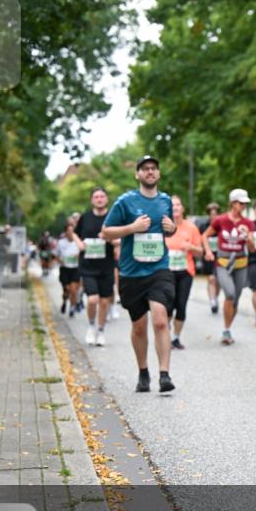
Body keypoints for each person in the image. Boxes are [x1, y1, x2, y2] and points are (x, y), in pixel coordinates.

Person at [102, 155, 177, 393]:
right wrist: (132, 228)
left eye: (154, 168)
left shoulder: (165, 201)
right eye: (145, 169)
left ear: (159, 174)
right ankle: (143, 371)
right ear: (138, 175)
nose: (150, 172)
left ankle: (164, 375)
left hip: (159, 268)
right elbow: (106, 233)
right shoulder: (125, 202)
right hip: (132, 272)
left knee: (160, 320)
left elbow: (170, 230)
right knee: (139, 327)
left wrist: (172, 229)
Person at [202, 189, 255, 346]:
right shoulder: (220, 220)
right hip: (223, 262)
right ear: (233, 203)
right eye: (241, 203)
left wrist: (247, 237)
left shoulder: (248, 223)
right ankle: (226, 330)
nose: (243, 206)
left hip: (241, 263)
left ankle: (228, 328)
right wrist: (209, 251)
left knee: (236, 300)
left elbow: (252, 249)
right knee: (230, 294)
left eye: (245, 203)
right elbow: (204, 235)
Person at [74, 187, 118, 346]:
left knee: (105, 302)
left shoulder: (112, 218)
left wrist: (109, 239)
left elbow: (121, 240)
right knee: (92, 300)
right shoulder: (85, 217)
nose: (99, 199)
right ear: (92, 200)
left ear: (106, 199)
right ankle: (91, 325)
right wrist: (79, 243)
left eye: (102, 196)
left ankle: (100, 330)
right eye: (96, 197)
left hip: (106, 266)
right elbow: (74, 233)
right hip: (88, 266)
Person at [164, 195, 204, 349]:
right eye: (172, 205)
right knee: (167, 306)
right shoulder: (163, 226)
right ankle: (165, 337)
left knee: (181, 305)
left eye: (178, 205)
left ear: (183, 208)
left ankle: (176, 338)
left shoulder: (191, 227)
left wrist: (191, 248)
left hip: (185, 272)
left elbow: (200, 252)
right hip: (166, 272)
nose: (175, 208)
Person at [195, 202, 222, 313]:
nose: (213, 216)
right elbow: (198, 240)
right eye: (211, 214)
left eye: (215, 214)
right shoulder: (203, 226)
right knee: (211, 278)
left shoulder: (222, 225)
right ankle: (212, 302)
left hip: (220, 255)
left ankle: (215, 297)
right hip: (208, 255)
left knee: (219, 280)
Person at [56, 221, 82, 317]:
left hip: (75, 269)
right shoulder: (61, 242)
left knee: (73, 290)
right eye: (69, 231)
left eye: (72, 231)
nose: (71, 233)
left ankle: (72, 308)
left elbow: (83, 252)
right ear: (65, 232)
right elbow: (56, 255)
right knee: (66, 290)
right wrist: (60, 260)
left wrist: (78, 256)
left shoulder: (78, 242)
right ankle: (64, 301)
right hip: (65, 269)